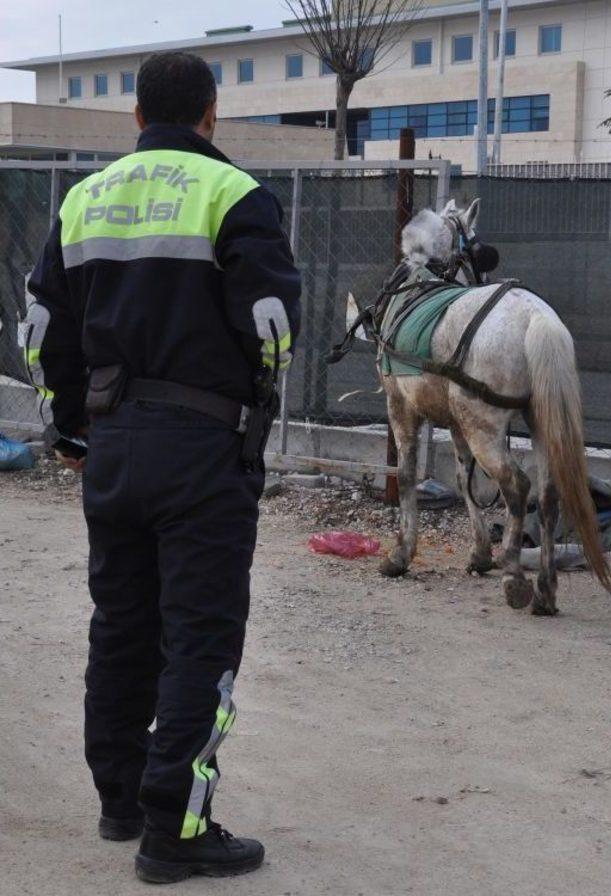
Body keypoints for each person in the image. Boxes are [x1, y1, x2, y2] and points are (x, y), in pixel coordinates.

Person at [25, 51, 301, 884]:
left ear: (137, 118)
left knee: (122, 626)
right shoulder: (235, 196)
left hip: (111, 445)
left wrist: (73, 430)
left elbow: (39, 332)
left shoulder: (82, 199)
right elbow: (272, 326)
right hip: (203, 449)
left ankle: (119, 798)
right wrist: (251, 412)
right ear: (210, 114)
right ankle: (174, 829)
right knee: (199, 638)